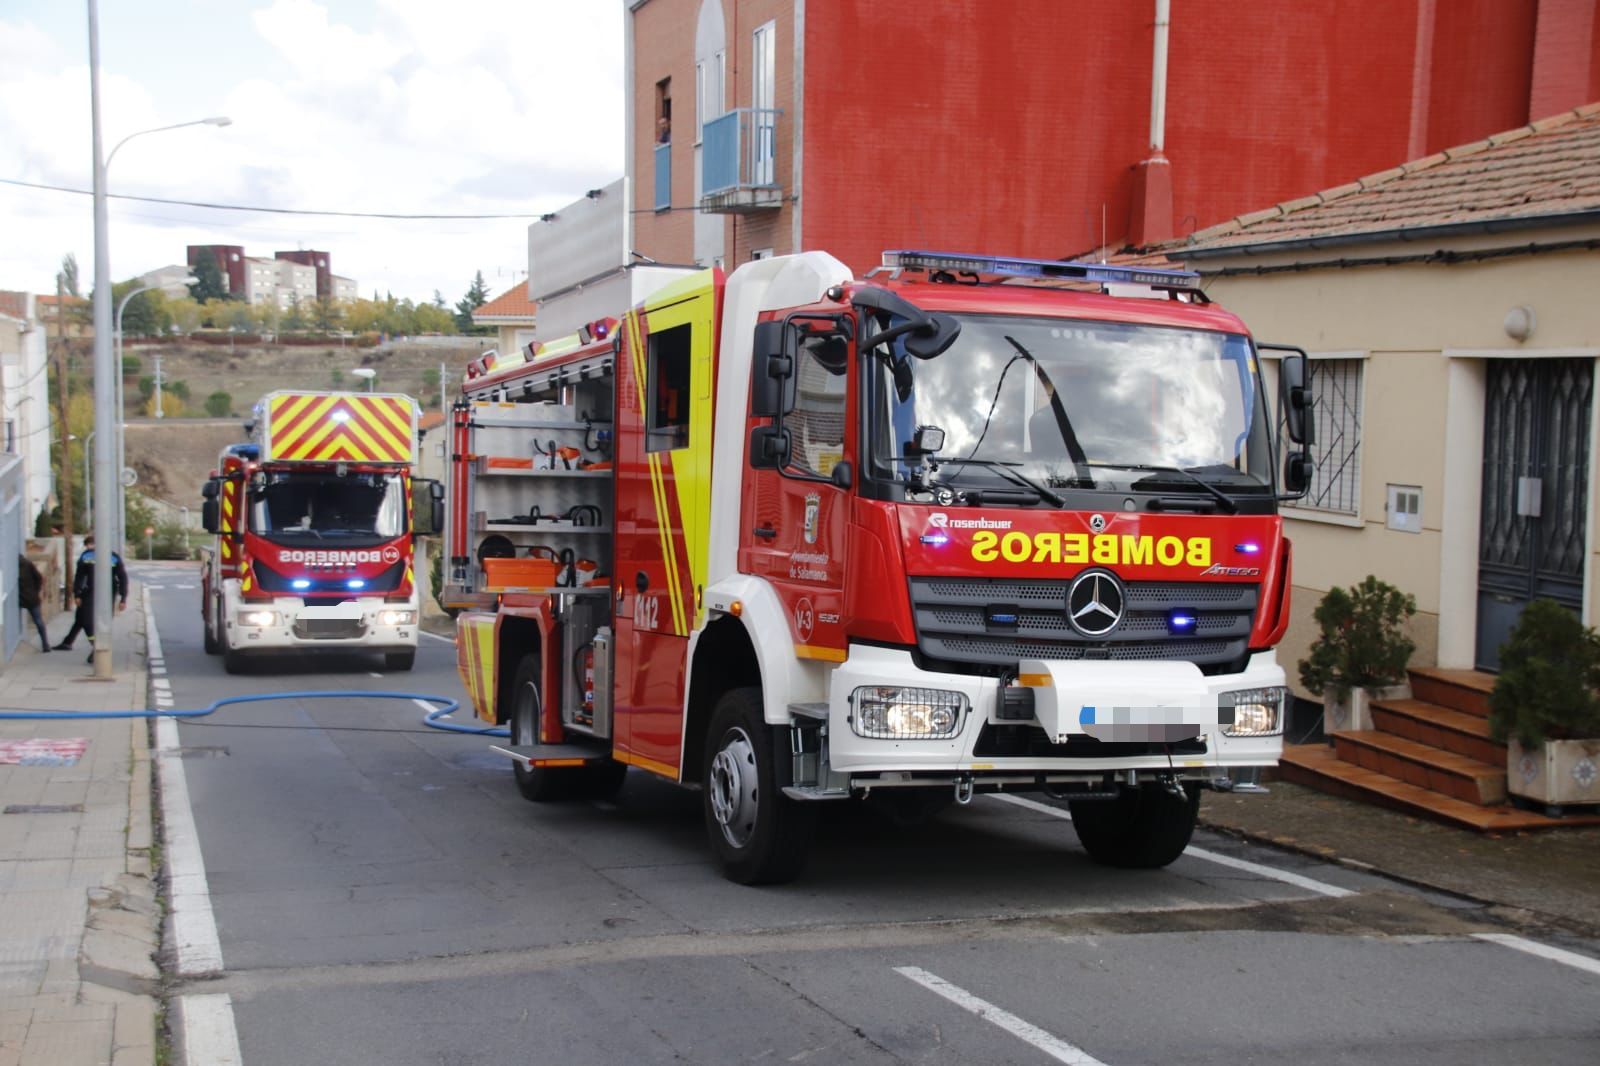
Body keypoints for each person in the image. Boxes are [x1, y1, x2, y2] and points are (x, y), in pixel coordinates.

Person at [53, 535, 127, 662]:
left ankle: (97, 647)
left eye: (90, 544)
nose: (88, 547)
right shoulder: (86, 556)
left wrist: (123, 598)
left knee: (91, 621)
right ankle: (70, 642)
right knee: (81, 619)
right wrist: (77, 594)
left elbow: (122, 577)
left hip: (107, 592)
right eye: (87, 545)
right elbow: (80, 576)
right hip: (89, 592)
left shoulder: (113, 557)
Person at [16, 553, 50, 652]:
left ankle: (16, 640)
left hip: (17, 598)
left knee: (12, 621)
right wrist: (36, 590)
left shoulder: (10, 567)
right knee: (38, 621)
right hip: (31, 597)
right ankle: (45, 644)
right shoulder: (27, 564)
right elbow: (39, 578)